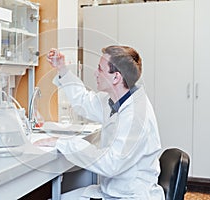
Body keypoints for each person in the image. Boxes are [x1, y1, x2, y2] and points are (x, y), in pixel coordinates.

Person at [34, 46, 165, 200]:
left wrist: (65, 143)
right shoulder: (116, 100)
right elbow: (83, 101)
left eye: (100, 69)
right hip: (113, 190)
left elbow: (110, 164)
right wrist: (62, 69)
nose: (95, 73)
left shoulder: (136, 116)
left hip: (130, 195)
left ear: (116, 77)